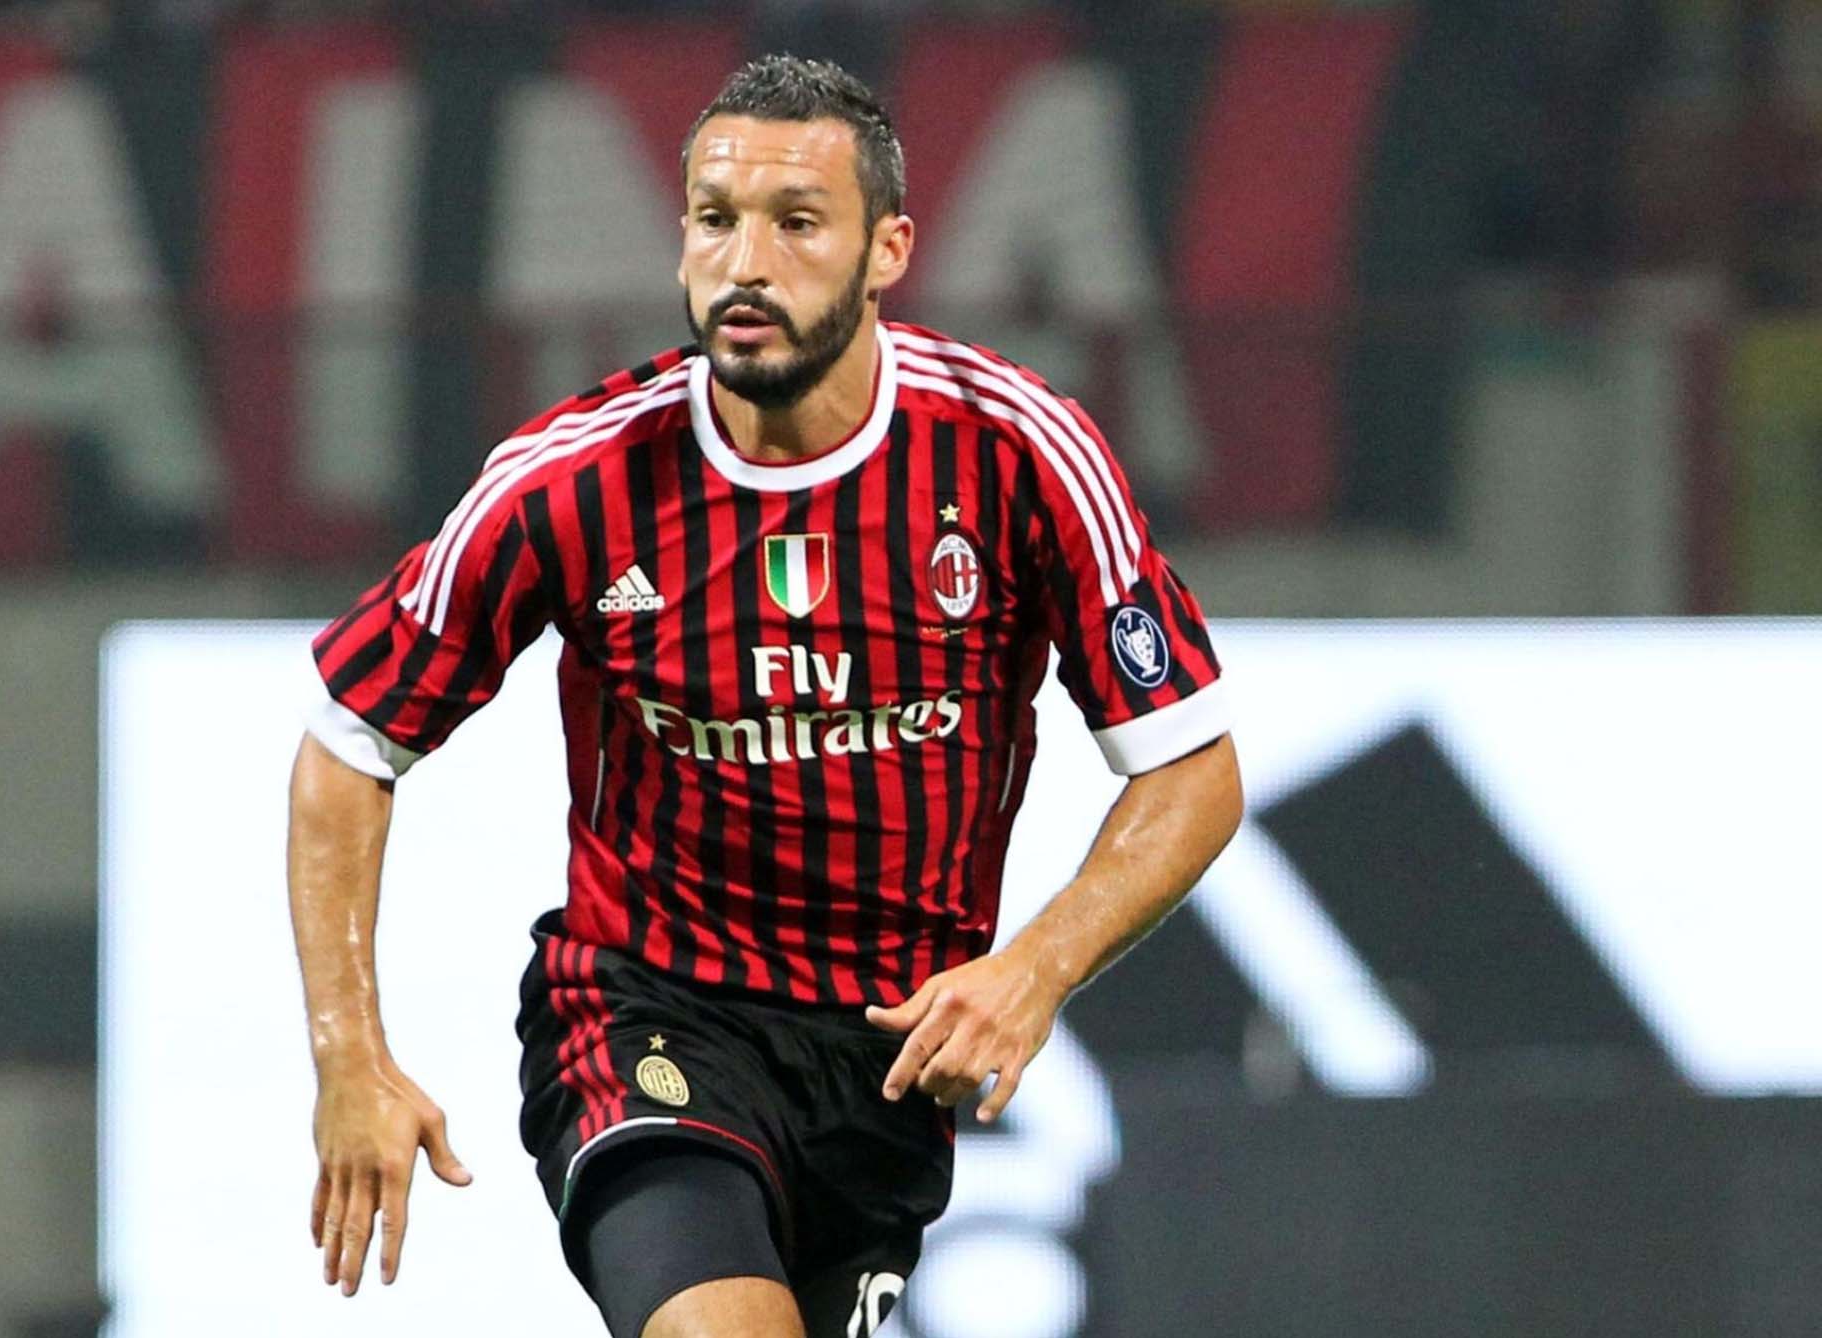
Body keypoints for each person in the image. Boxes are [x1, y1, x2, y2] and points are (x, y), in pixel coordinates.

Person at [287, 53, 1243, 1338]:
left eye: (796, 223)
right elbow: (347, 743)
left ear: (887, 249)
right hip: (644, 1013)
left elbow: (1191, 769)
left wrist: (1034, 969)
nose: (744, 263)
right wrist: (348, 1054)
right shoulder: (572, 477)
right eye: (713, 219)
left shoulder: (1015, 452)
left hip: (883, 1070)